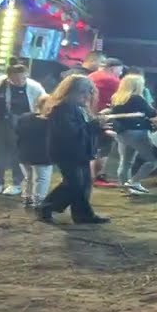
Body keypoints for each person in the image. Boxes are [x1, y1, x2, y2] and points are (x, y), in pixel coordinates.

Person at [41, 74, 109, 224]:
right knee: (75, 184)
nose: (86, 96)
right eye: (83, 92)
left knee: (83, 184)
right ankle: (46, 207)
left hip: (80, 152)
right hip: (68, 153)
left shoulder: (78, 108)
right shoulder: (63, 109)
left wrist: (97, 127)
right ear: (71, 91)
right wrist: (94, 126)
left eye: (89, 92)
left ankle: (82, 215)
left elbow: (83, 130)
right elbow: (69, 132)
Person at [109, 73, 157, 193]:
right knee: (154, 159)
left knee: (126, 161)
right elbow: (152, 114)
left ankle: (126, 187)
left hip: (122, 133)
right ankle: (134, 181)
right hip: (138, 133)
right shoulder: (137, 98)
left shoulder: (116, 97)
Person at [0, 64, 47, 196]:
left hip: (25, 123)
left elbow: (45, 103)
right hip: (3, 121)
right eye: (16, 80)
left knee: (18, 153)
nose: (20, 82)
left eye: (23, 79)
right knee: (0, 152)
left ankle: (16, 183)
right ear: (9, 78)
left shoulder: (35, 87)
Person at [87, 57, 124, 183]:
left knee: (93, 146)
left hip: (89, 114)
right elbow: (123, 96)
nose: (120, 74)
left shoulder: (91, 76)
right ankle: (97, 176)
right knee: (104, 147)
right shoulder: (112, 80)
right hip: (104, 116)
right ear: (113, 68)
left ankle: (90, 175)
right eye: (120, 71)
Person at [16, 94, 53, 208]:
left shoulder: (24, 117)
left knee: (28, 177)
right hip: (42, 156)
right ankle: (39, 202)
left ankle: (27, 198)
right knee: (42, 178)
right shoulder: (51, 121)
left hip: (24, 154)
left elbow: (18, 133)